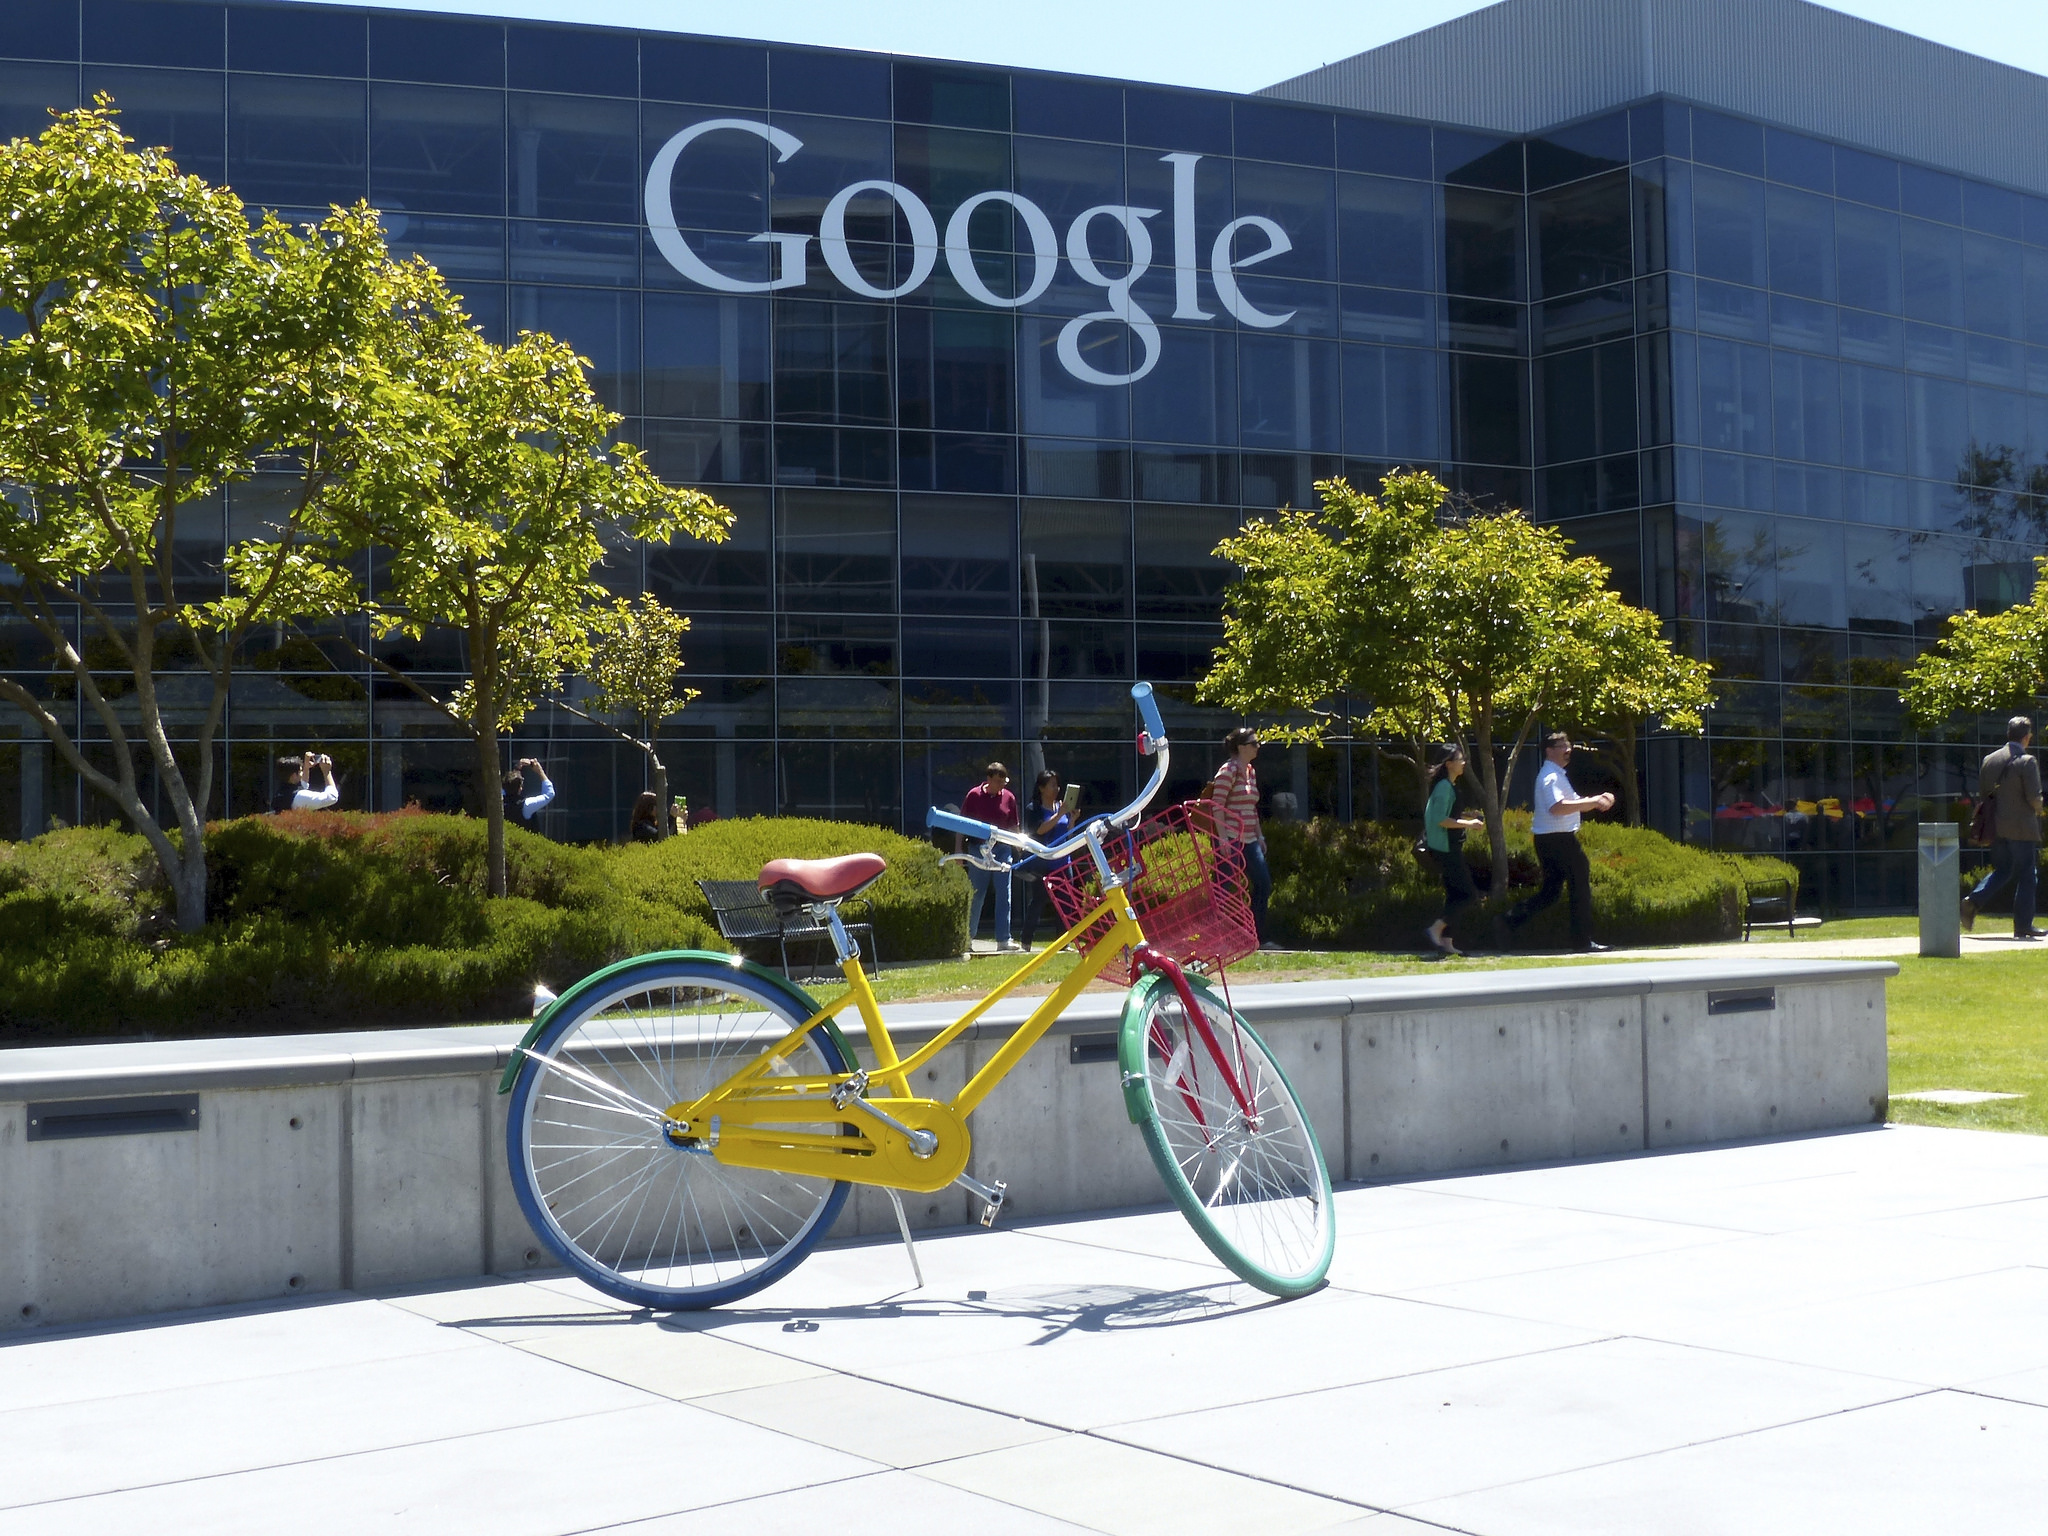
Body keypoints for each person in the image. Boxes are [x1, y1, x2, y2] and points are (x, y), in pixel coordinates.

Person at [1497, 731, 1614, 953]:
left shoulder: (1557, 775)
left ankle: (1507, 921)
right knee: (1579, 884)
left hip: (1550, 840)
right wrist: (1594, 801)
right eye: (1562, 746)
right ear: (1549, 751)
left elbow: (1572, 802)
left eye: (1568, 744)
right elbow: (1557, 807)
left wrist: (1598, 801)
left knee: (1551, 892)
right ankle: (1582, 941)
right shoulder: (1550, 776)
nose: (1568, 749)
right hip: (1558, 840)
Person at [1963, 716, 2044, 939]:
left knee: (2004, 869)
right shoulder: (2027, 761)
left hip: (1995, 827)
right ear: (2027, 737)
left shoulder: (1989, 760)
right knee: (2028, 875)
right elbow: (2034, 798)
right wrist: (2039, 809)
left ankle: (1974, 900)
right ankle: (2023, 926)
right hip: (2021, 828)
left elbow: (1984, 793)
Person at [1209, 726, 1276, 950]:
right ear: (1241, 747)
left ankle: (1255, 938)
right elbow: (1216, 808)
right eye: (1254, 743)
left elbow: (1251, 807)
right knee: (1223, 889)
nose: (1258, 747)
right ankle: (1217, 940)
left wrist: (1259, 836)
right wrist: (1223, 840)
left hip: (1249, 840)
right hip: (1230, 838)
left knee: (1263, 884)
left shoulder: (1251, 771)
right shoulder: (1228, 771)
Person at [1422, 744, 1485, 957]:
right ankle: (1435, 929)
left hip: (1449, 847)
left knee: (1455, 894)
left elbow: (1447, 814)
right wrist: (1469, 824)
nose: (1464, 763)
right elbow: (1440, 820)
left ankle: (1447, 942)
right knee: (1467, 894)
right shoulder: (1443, 787)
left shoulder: (1448, 785)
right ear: (1449, 764)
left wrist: (1466, 817)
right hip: (1445, 849)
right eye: (1460, 759)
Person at [958, 761, 1021, 952]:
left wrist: (1019, 847)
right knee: (977, 894)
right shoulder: (974, 795)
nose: (1001, 786)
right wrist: (958, 851)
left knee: (1005, 894)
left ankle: (1003, 939)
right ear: (988, 780)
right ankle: (967, 939)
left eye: (1003, 782)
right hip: (978, 849)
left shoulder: (1009, 797)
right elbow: (961, 824)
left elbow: (1013, 826)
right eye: (997, 782)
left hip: (1002, 849)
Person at [1012, 769, 1074, 950]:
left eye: (1057, 785)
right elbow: (1039, 830)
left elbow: (1068, 834)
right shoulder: (1034, 809)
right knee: (1038, 901)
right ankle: (1026, 940)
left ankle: (1063, 942)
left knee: (1065, 903)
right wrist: (1061, 814)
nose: (1056, 789)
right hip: (1043, 862)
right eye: (1052, 785)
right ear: (1041, 788)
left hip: (1063, 861)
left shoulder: (1060, 807)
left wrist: (1072, 819)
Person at [270, 751, 339, 813]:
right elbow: (332, 798)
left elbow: (303, 786)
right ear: (294, 775)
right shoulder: (301, 796)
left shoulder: (282, 792)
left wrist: (306, 767)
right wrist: (327, 772)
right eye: (300, 771)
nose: (302, 773)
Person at [503, 758, 556, 829]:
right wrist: (540, 771)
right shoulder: (526, 805)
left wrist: (517, 768)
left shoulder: (500, 801)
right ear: (520, 788)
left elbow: (510, 782)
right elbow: (549, 794)